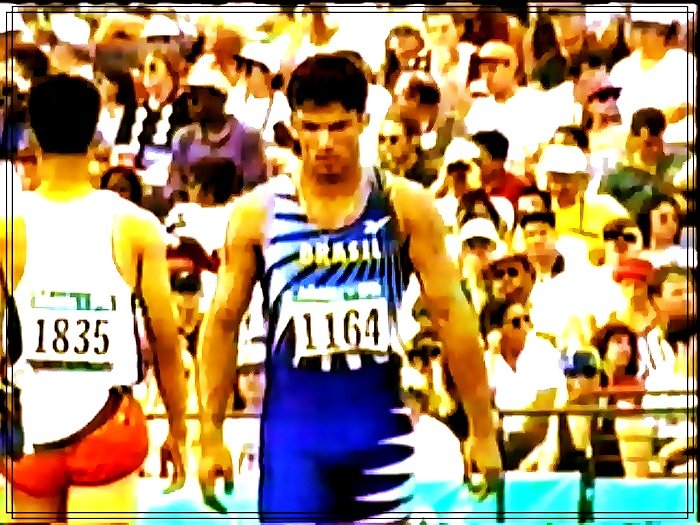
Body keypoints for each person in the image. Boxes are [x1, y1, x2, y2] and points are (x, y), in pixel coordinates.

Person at [197, 54, 501, 524]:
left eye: (338, 126)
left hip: (378, 438)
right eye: (311, 127)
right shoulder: (258, 214)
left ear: (363, 121)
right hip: (294, 441)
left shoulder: (403, 206)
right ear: (292, 126)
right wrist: (210, 433)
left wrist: (482, 428)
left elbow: (452, 314)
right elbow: (221, 323)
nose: (324, 143)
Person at [0, 74, 188, 524]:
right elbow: (165, 339)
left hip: (30, 427)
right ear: (95, 133)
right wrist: (179, 427)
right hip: (105, 425)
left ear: (31, 135)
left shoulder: (7, 228)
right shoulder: (135, 225)